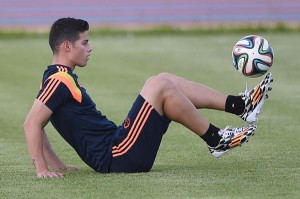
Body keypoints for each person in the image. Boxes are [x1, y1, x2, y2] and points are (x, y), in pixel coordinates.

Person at [23, 17, 273, 178]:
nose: (90, 48)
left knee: (164, 80)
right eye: (84, 43)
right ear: (67, 46)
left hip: (119, 148)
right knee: (158, 85)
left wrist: (58, 165)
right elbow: (32, 123)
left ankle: (241, 105)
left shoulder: (56, 77)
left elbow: (41, 123)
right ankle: (215, 138)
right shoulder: (58, 80)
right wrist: (41, 169)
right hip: (117, 155)